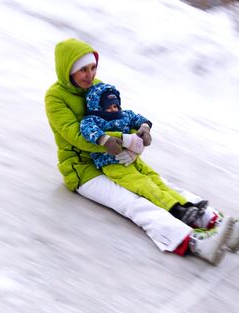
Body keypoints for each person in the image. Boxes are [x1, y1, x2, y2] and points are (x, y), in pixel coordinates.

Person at [44, 38, 239, 266]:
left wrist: (139, 133)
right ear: (67, 70)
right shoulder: (55, 97)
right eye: (82, 70)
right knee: (134, 201)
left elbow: (118, 118)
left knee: (162, 186)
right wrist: (126, 141)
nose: (89, 75)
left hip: (116, 158)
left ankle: (221, 226)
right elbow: (77, 137)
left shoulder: (96, 87)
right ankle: (195, 242)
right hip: (84, 170)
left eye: (92, 67)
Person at [80, 82, 207, 226]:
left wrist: (145, 128)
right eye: (108, 107)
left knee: (155, 179)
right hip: (113, 164)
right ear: (97, 108)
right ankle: (175, 209)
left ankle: (187, 205)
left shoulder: (125, 114)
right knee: (144, 184)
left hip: (133, 158)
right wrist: (105, 140)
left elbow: (138, 118)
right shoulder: (93, 119)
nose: (113, 110)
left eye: (115, 106)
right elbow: (87, 129)